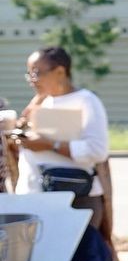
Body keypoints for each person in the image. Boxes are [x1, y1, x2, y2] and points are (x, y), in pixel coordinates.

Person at [14, 46, 111, 229]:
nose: (32, 80)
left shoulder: (86, 100)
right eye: (29, 74)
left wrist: (51, 145)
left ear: (60, 72)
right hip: (37, 198)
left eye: (36, 73)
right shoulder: (42, 102)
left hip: (76, 200)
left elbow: (97, 150)